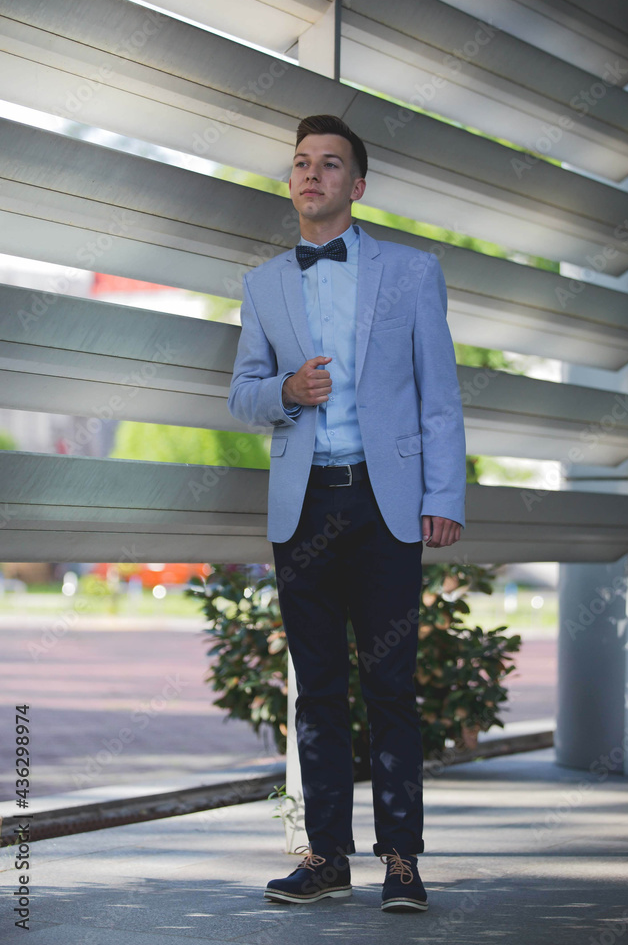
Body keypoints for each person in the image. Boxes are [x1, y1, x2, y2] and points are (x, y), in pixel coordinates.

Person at [228, 114, 466, 913]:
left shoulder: (411, 271)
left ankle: (402, 860)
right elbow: (241, 396)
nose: (311, 174)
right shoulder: (261, 284)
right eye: (301, 162)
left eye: (330, 164)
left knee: (391, 688)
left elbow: (439, 394)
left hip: (385, 504)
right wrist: (286, 393)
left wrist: (443, 497)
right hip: (302, 508)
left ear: (355, 186)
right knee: (318, 689)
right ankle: (325, 858)